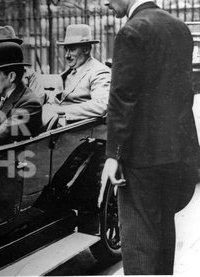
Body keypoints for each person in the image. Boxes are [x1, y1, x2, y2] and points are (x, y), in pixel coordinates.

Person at [101, 0, 200, 275]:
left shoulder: (132, 31)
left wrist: (113, 155)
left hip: (140, 160)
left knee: (140, 245)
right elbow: (185, 93)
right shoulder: (179, 28)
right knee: (163, 236)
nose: (105, 2)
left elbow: (122, 98)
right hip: (175, 154)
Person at [42, 24, 111, 130]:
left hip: (78, 134)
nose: (67, 55)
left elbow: (101, 106)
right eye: (66, 50)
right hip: (56, 129)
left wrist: (60, 110)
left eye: (72, 49)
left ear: (86, 50)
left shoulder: (99, 71)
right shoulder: (68, 73)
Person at [0, 25, 48, 109]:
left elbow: (36, 102)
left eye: (10, 46)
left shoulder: (30, 76)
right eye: (0, 47)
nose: (5, 52)